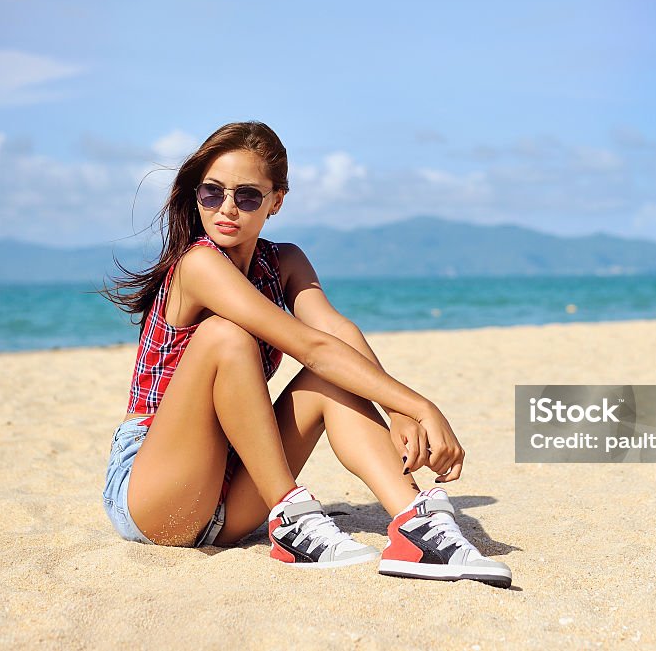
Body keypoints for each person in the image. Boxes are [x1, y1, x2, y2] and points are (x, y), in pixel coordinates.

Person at [100, 121, 511, 587]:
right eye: (212, 193)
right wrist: (421, 405)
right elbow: (310, 347)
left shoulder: (285, 261)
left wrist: (397, 410)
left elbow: (335, 332)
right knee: (224, 336)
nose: (227, 208)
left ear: (276, 200)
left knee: (331, 380)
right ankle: (292, 519)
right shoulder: (198, 264)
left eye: (248, 196)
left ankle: (417, 528)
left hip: (232, 496)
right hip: (156, 494)